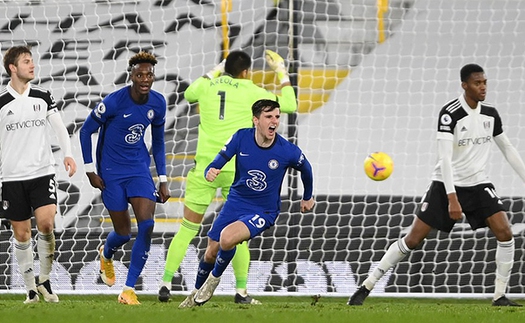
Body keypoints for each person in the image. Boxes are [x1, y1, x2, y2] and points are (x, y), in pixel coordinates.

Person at [348, 64, 525, 307]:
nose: (483, 87)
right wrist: (452, 197)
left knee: (505, 233)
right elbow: (445, 159)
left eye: (484, 82)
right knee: (412, 239)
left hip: (478, 183)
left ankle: (499, 295)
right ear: (464, 85)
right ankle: (367, 285)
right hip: (445, 184)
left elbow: (508, 149)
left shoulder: (490, 114)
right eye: (477, 83)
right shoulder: (449, 114)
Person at [159, 50, 297, 304]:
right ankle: (241, 291)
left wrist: (215, 70)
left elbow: (189, 94)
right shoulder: (253, 91)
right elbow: (290, 104)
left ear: (226, 68)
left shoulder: (209, 86)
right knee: (239, 233)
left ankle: (166, 284)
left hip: (205, 168)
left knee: (188, 227)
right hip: (238, 170)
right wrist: (281, 71)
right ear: (246, 72)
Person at [178, 99, 314, 307]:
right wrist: (211, 170)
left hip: (264, 210)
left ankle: (213, 281)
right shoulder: (241, 137)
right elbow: (218, 161)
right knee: (210, 251)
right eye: (269, 117)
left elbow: (307, 169)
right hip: (236, 202)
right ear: (256, 120)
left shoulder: (287, 150)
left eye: (277, 117)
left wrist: (307, 196)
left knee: (227, 238)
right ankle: (194, 294)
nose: (274, 121)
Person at [79, 51, 170, 305]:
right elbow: (86, 131)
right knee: (123, 232)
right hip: (111, 173)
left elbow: (160, 142)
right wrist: (89, 171)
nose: (145, 79)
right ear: (131, 75)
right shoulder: (114, 102)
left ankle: (128, 289)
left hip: (139, 170)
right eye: (139, 74)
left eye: (149, 74)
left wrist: (162, 178)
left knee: (147, 224)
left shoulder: (158, 103)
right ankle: (106, 253)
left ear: (153, 76)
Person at [0, 45, 77, 303]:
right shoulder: (1, 103)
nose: (32, 65)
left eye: (32, 61)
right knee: (22, 234)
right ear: (13, 67)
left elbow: (60, 129)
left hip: (42, 173)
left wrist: (67, 154)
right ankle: (30, 288)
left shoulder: (43, 96)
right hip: (11, 178)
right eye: (26, 61)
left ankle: (44, 280)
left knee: (46, 223)